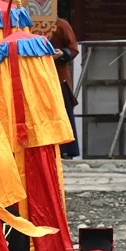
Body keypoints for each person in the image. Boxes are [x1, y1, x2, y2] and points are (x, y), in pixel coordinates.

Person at [48, 17, 80, 159]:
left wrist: (62, 53)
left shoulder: (60, 24)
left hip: (59, 76)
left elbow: (73, 48)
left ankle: (67, 149)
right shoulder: (24, 24)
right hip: (37, 76)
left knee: (64, 112)